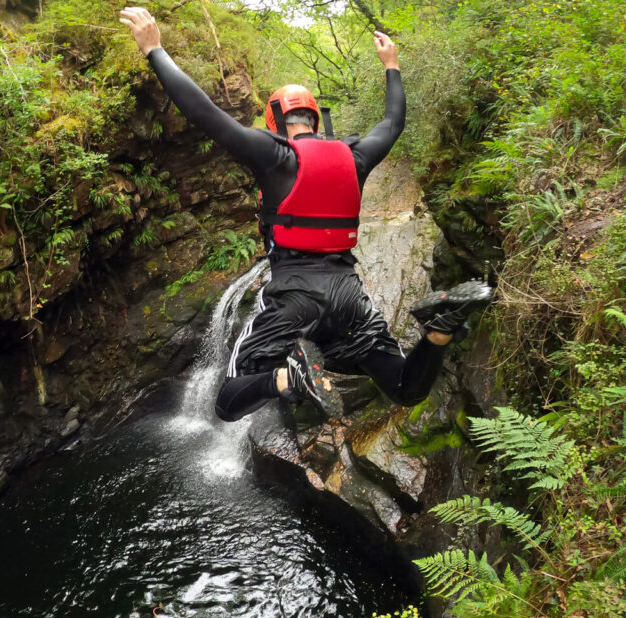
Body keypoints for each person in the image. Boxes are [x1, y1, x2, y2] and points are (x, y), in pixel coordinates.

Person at [119, 7, 492, 421]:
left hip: (293, 295)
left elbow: (204, 114)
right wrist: (392, 65)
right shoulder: (355, 157)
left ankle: (285, 379)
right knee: (405, 389)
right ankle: (440, 330)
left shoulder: (273, 155)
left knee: (227, 402)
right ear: (315, 119)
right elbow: (394, 121)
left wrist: (154, 50)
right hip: (350, 297)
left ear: (276, 122)